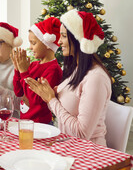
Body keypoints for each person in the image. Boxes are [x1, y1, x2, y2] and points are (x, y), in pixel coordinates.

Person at [25, 10, 111, 146]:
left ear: (77, 39)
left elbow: (82, 134)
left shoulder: (96, 78)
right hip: (68, 144)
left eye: (64, 36)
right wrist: (51, 94)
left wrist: (52, 100)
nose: (59, 41)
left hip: (89, 152)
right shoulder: (76, 70)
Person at [12, 17, 63, 124]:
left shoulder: (53, 70)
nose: (30, 47)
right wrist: (17, 70)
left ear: (48, 44)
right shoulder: (33, 65)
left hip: (40, 124)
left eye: (33, 43)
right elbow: (18, 92)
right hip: (25, 122)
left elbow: (36, 100)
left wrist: (24, 72)